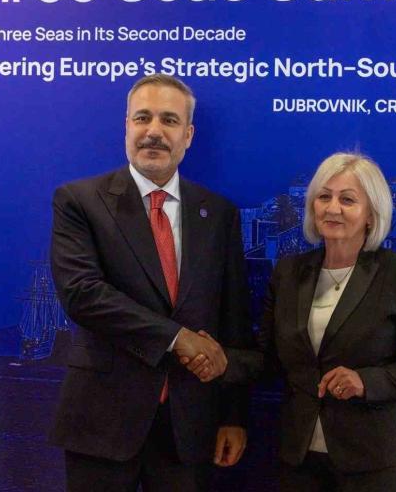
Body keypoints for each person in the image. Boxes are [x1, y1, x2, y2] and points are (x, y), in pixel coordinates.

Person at [193, 152, 396, 491]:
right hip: (300, 459)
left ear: (371, 214)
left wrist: (365, 381)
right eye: (324, 197)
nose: (332, 208)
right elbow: (268, 361)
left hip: (376, 462)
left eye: (347, 200)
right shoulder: (288, 273)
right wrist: (223, 362)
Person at [48, 74, 252, 491]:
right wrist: (177, 338)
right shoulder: (79, 201)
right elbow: (83, 295)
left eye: (169, 120)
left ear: (188, 135)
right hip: (102, 422)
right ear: (126, 127)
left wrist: (233, 415)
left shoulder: (219, 214)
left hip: (189, 427)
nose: (154, 131)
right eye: (143, 118)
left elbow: (231, 320)